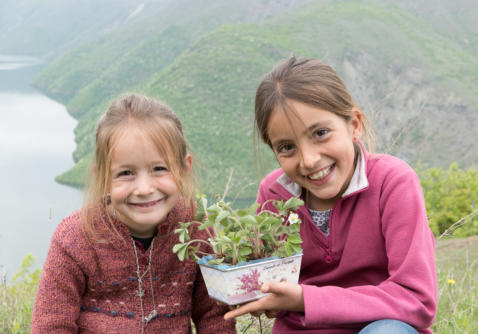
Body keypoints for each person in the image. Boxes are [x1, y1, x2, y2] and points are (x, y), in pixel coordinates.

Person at [224, 56, 437, 333]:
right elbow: (272, 284)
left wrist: (305, 299)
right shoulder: (274, 193)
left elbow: (417, 300)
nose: (309, 160)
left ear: (354, 125)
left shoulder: (392, 182)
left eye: (321, 133)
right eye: (287, 147)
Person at [31, 94, 236, 334]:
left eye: (160, 169)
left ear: (184, 169)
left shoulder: (195, 227)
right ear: (104, 179)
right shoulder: (75, 237)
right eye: (126, 173)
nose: (145, 189)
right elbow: (52, 325)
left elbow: (215, 315)